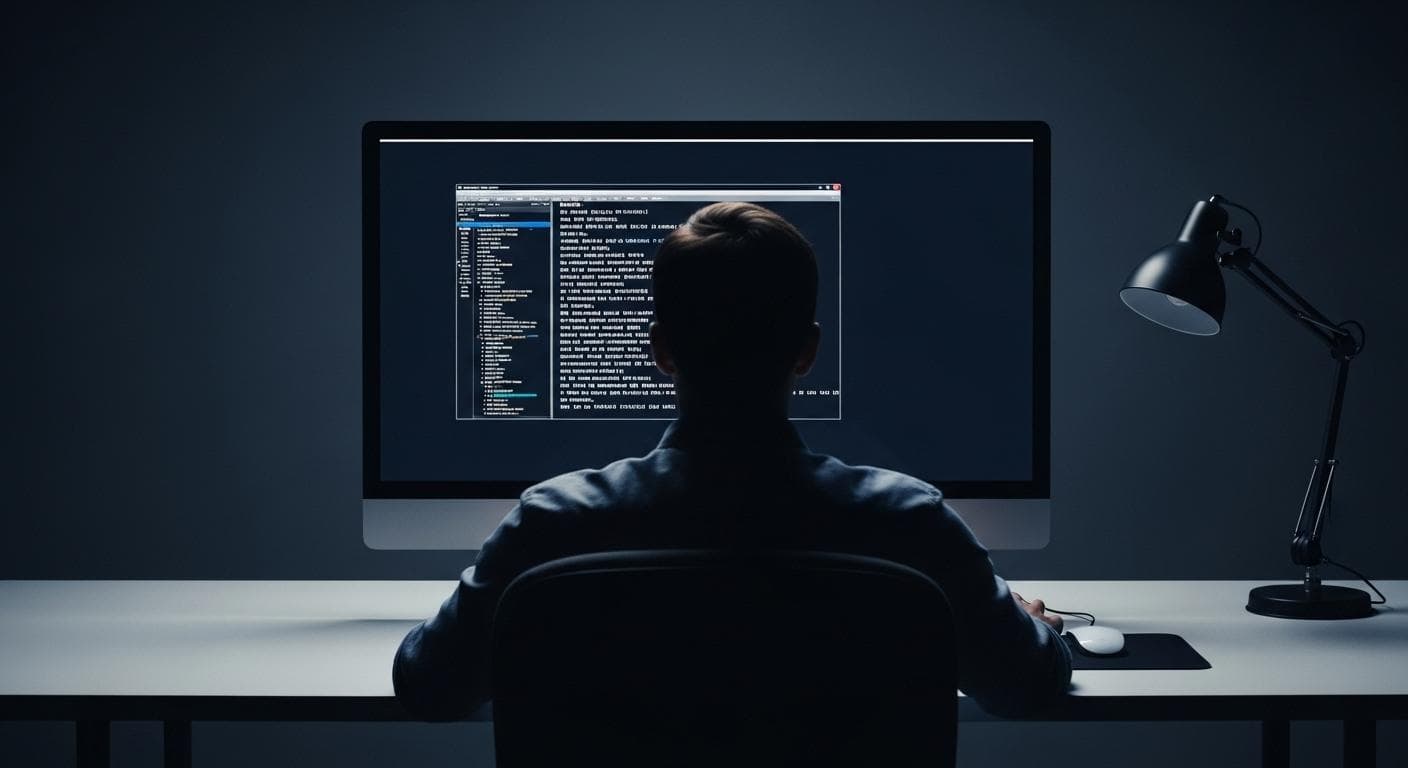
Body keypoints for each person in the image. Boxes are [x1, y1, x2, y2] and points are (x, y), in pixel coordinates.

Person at [393, 201, 1071, 720]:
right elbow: (1028, 685)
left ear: (660, 350)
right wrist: (1026, 626)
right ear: (806, 350)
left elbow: (427, 683)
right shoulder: (908, 524)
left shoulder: (552, 527)